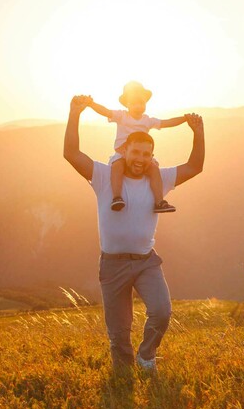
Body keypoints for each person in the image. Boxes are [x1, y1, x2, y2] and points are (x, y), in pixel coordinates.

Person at [63, 94, 205, 372]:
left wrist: (198, 133)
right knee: (118, 334)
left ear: (152, 157)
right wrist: (75, 114)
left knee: (162, 312)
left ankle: (147, 354)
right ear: (124, 151)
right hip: (112, 265)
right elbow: (71, 154)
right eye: (135, 152)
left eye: (146, 154)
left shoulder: (159, 179)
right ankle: (124, 377)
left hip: (146, 262)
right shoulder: (104, 176)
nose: (140, 159)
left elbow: (195, 167)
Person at [84, 81, 189, 213]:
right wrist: (91, 104)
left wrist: (185, 119)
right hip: (122, 154)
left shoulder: (147, 120)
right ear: (127, 104)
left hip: (141, 156)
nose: (138, 106)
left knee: (154, 169)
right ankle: (117, 197)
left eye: (142, 103)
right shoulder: (122, 116)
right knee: (117, 167)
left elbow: (166, 123)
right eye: (134, 103)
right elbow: (106, 112)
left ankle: (159, 201)